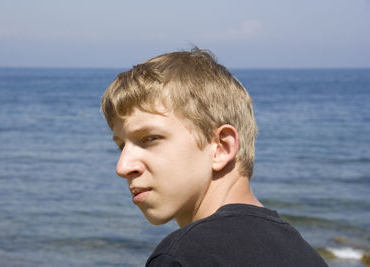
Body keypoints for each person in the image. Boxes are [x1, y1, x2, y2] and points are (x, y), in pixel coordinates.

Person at [101, 48, 328, 266]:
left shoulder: (182, 256)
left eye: (150, 138)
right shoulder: (304, 253)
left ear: (221, 147)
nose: (122, 167)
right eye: (121, 146)